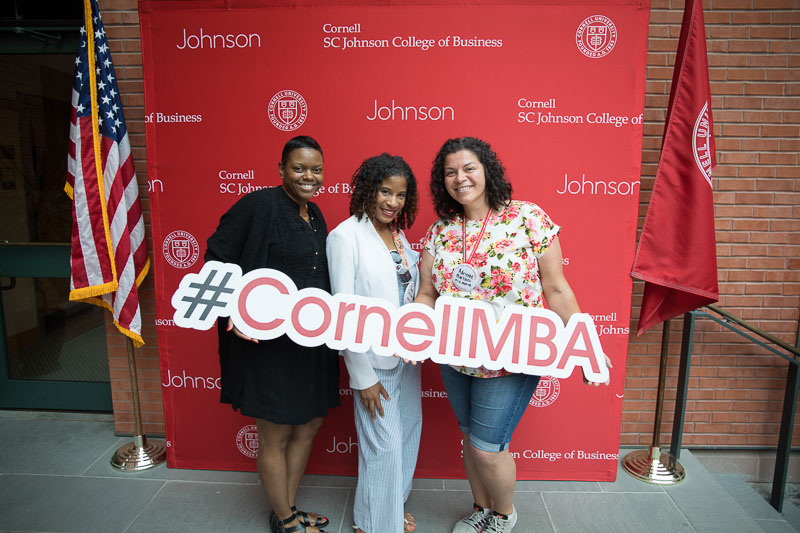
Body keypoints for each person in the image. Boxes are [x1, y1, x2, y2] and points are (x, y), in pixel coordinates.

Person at [414, 137, 611, 533]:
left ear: (486, 169)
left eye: (468, 167)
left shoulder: (528, 218)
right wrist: (412, 333)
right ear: (442, 182)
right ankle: (480, 509)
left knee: (488, 450)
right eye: (450, 172)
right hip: (456, 355)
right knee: (471, 440)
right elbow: (427, 293)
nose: (460, 178)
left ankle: (504, 514)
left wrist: (587, 347)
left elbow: (556, 288)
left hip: (511, 356)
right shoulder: (441, 231)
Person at [205, 135, 339, 533]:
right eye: (299, 168)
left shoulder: (315, 215)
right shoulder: (258, 206)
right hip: (269, 346)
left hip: (311, 342)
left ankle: (288, 508)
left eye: (315, 169)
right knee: (276, 433)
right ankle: (284, 519)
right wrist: (234, 312)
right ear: (281, 169)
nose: (308, 176)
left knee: (310, 422)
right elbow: (216, 256)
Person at [326, 154, 422, 533]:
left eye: (400, 195)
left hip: (406, 359)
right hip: (372, 362)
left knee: (408, 435)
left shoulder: (398, 235)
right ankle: (375, 525)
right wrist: (361, 376)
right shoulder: (344, 236)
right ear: (368, 190)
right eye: (385, 191)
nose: (392, 202)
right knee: (383, 447)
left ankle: (387, 509)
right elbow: (342, 311)